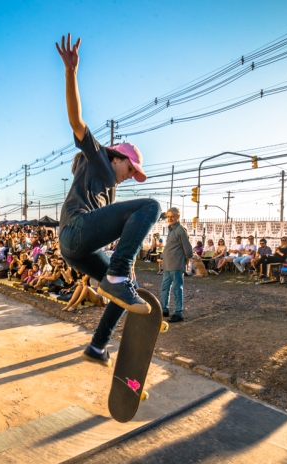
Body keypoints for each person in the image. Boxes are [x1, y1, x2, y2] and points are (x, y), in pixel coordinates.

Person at [56, 34, 161, 366]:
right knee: (151, 206)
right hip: (76, 232)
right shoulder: (100, 157)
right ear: (118, 158)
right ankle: (116, 280)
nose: (131, 176)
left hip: (79, 248)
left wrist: (125, 269)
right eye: (130, 169)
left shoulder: (110, 189)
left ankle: (97, 346)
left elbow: (114, 232)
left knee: (125, 287)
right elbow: (76, 121)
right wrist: (71, 72)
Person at [160, 208, 193, 323]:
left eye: (172, 216)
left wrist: (187, 262)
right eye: (168, 216)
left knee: (177, 288)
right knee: (165, 287)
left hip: (176, 264)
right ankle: (164, 309)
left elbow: (188, 249)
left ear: (178, 217)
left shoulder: (180, 230)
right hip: (168, 265)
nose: (170, 218)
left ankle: (178, 313)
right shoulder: (171, 229)